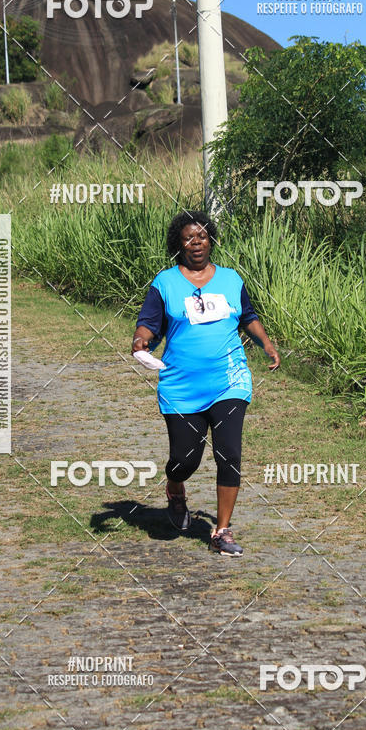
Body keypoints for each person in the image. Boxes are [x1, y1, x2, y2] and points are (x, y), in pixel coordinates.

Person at [131, 210, 280, 556]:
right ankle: (175, 488)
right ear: (178, 244)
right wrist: (141, 340)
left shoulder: (230, 279)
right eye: (188, 237)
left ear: (211, 240)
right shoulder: (165, 283)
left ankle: (222, 531)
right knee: (185, 460)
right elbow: (148, 324)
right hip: (181, 386)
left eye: (201, 236)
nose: (195, 243)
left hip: (230, 380)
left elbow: (248, 316)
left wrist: (267, 344)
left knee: (229, 453)